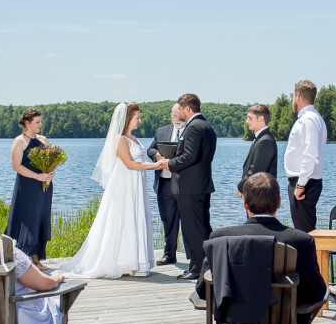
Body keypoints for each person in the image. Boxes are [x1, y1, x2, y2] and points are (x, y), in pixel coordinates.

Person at [193, 172, 327, 324]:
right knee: (303, 303)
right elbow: (317, 292)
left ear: (245, 204)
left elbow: (203, 292)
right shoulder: (301, 241)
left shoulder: (220, 239)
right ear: (280, 202)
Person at [58, 103, 166, 278]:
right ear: (127, 119)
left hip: (136, 182)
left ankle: (135, 261)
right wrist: (154, 166)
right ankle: (122, 262)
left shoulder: (134, 138)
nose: (139, 120)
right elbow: (130, 164)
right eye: (137, 117)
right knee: (124, 217)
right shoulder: (120, 139)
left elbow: (138, 160)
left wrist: (156, 160)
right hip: (125, 183)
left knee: (135, 216)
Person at [164, 94, 217, 280]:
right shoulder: (207, 126)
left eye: (179, 109)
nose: (178, 114)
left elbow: (189, 157)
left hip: (190, 187)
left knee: (193, 229)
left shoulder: (193, 128)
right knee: (202, 227)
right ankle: (206, 266)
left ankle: (196, 269)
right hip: (201, 185)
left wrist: (169, 164)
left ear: (188, 109)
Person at [5, 108, 55, 270]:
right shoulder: (20, 141)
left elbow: (51, 160)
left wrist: (51, 172)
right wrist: (37, 176)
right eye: (37, 122)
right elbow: (16, 166)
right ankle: (25, 258)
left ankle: (36, 257)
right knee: (28, 219)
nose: (40, 124)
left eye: (40, 121)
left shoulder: (43, 140)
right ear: (27, 123)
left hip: (44, 186)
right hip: (28, 186)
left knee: (41, 218)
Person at [147, 103, 188, 266]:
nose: (176, 119)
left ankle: (194, 257)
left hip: (184, 184)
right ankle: (169, 253)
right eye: (174, 115)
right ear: (170, 115)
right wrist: (156, 155)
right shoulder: (161, 131)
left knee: (187, 221)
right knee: (167, 220)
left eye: (179, 115)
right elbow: (150, 150)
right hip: (164, 183)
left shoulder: (190, 131)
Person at [284, 80, 327, 233]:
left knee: (305, 234)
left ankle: (310, 258)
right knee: (304, 232)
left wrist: (301, 185)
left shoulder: (309, 119)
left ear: (297, 96)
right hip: (305, 181)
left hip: (304, 183)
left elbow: (310, 153)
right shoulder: (312, 117)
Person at [237, 104, 278, 198]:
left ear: (261, 119)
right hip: (255, 193)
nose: (246, 121)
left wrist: (241, 187)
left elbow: (256, 171)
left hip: (261, 196)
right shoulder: (260, 139)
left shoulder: (265, 141)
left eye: (250, 118)